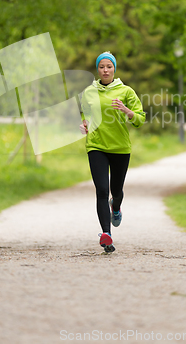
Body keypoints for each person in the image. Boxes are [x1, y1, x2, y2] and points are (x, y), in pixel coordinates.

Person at [79, 51, 146, 252]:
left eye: (109, 66)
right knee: (101, 190)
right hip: (96, 145)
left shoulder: (126, 91)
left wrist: (127, 111)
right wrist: (84, 125)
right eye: (101, 67)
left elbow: (140, 119)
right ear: (97, 69)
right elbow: (86, 115)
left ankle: (115, 207)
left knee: (115, 191)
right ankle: (106, 234)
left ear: (114, 69)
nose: (105, 70)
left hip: (120, 147)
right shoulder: (88, 92)